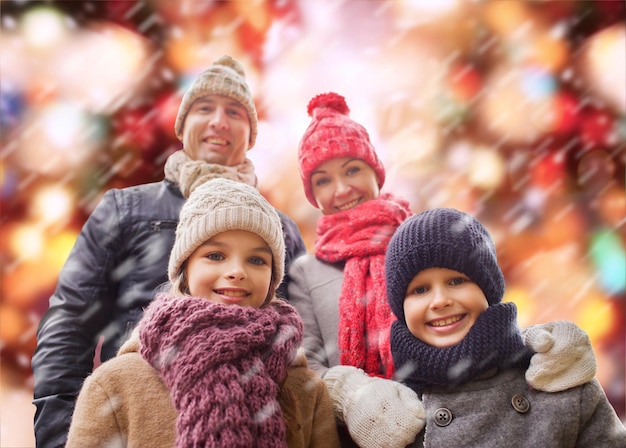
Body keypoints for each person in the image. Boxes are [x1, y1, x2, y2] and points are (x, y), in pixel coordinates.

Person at [287, 92, 599, 448]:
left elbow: (483, 313)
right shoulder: (306, 273)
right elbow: (308, 367)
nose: (341, 189)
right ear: (312, 193)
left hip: (444, 405)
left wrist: (542, 347)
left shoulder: (421, 239)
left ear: (375, 170)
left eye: (352, 169)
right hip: (361, 434)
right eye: (323, 180)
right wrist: (355, 395)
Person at [32, 55, 306, 447]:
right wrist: (65, 436)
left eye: (234, 111)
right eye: (204, 108)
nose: (218, 121)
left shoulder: (281, 229)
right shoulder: (126, 209)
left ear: (251, 134)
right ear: (181, 125)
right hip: (140, 417)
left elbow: (301, 338)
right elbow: (69, 324)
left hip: (254, 424)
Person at [64, 178, 340, 448]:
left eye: (256, 260)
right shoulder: (115, 385)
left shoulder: (306, 390)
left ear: (272, 279)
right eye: (216, 256)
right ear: (185, 270)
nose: (237, 271)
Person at [385, 207, 626, 447]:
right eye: (420, 289)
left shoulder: (557, 379)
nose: (439, 301)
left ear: (488, 290)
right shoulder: (391, 412)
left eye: (456, 281)